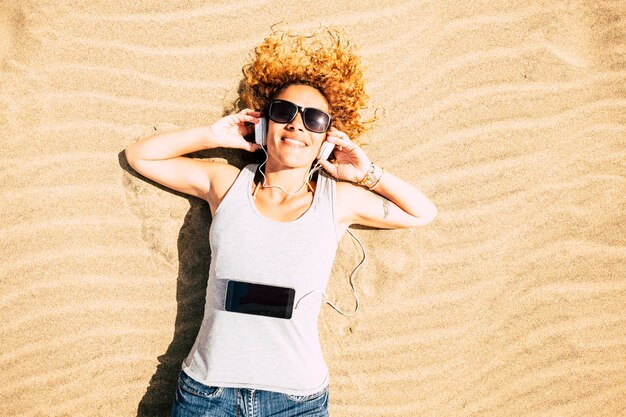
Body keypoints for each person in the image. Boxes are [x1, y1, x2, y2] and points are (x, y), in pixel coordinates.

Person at [125, 28, 437, 417]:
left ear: (328, 138)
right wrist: (213, 134)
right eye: (283, 112)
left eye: (314, 119)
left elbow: (422, 212)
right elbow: (141, 157)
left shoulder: (336, 200)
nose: (296, 125)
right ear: (263, 123)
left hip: (295, 402)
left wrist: (364, 172)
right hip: (207, 394)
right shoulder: (226, 184)